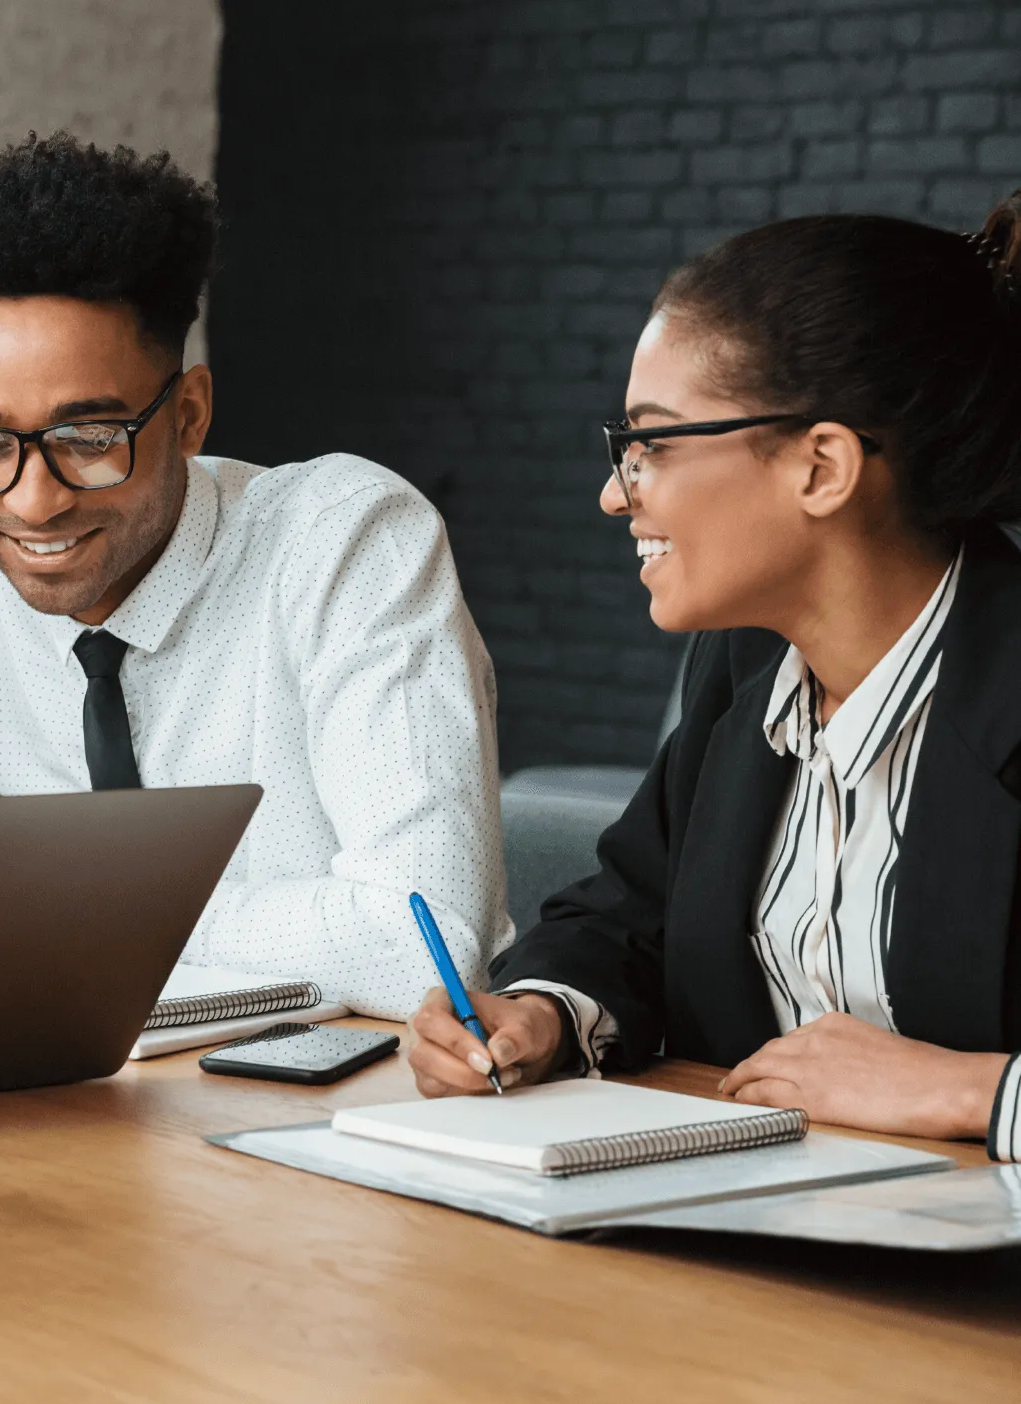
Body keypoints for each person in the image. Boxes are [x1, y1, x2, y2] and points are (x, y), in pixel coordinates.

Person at [0, 134, 509, 1018]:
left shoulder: (343, 541)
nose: (32, 503)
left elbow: (424, 943)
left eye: (89, 440)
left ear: (186, 415)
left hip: (351, 1095)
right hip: (95, 1092)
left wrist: (73, 907)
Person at [406, 198, 1021, 1162]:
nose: (615, 491)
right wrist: (541, 1014)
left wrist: (971, 1089)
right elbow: (628, 915)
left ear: (820, 466)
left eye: (650, 443)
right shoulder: (746, 664)